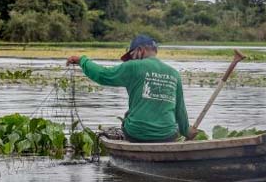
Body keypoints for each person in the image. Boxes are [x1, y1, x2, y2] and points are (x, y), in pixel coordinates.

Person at [66, 34, 196, 142]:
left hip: (137, 133)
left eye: (131, 55)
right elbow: (180, 110)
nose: (130, 60)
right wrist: (187, 132)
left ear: (141, 50)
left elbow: (102, 75)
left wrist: (82, 60)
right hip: (167, 135)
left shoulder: (133, 66)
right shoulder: (174, 74)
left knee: (127, 120)